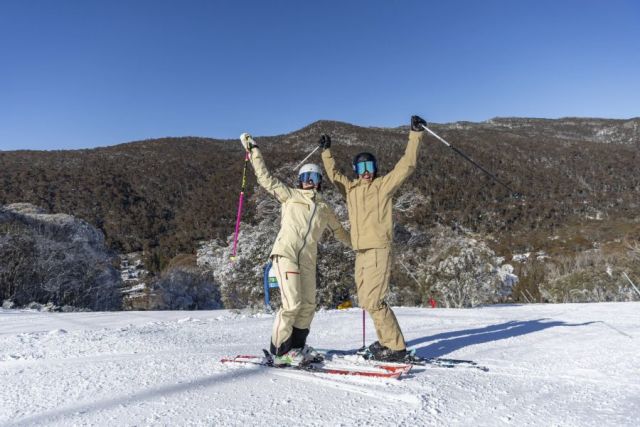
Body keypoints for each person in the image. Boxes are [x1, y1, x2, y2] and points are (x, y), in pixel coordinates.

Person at [319, 115, 427, 362]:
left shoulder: (383, 186)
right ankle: (385, 341)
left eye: (369, 167)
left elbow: (407, 165)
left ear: (375, 168)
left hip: (378, 249)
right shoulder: (351, 190)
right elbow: (334, 174)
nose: (366, 172)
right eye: (361, 168)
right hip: (360, 251)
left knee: (375, 300)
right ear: (356, 171)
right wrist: (326, 151)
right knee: (366, 301)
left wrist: (415, 134)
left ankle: (396, 348)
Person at [239, 133, 351, 366]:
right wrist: (254, 150)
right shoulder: (290, 195)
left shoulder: (325, 208)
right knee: (292, 305)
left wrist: (359, 247)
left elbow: (339, 231)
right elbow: (266, 179)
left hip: (308, 259)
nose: (309, 181)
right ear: (300, 181)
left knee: (308, 305)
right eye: (305, 177)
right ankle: (280, 351)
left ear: (319, 181)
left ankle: (297, 348)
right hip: (286, 254)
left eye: (314, 177)